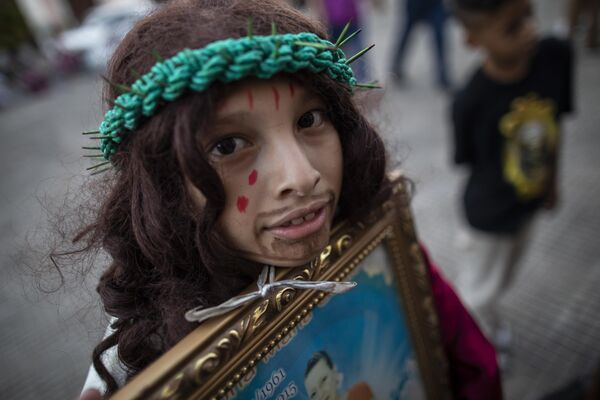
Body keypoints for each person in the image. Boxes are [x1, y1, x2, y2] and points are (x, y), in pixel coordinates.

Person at [53, 0, 503, 398]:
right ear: (161, 185)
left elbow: (469, 366)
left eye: (310, 118)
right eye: (227, 146)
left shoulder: (379, 243)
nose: (302, 177)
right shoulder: (141, 364)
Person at [448, 0, 574, 343]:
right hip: (487, 218)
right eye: (512, 27)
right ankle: (477, 351)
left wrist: (552, 181)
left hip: (529, 204)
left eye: (529, 15)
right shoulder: (468, 102)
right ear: (473, 40)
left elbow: (555, 122)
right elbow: (468, 160)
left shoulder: (555, 56)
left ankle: (488, 328)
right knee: (477, 295)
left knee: (502, 279)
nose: (530, 29)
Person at [389, 0, 451, 89]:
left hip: (434, 4)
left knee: (439, 37)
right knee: (406, 35)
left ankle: (443, 76)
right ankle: (396, 67)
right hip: (415, 3)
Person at [304, 350, 374, 400]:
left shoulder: (360, 393)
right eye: (313, 394)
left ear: (334, 372)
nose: (321, 394)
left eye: (323, 380)